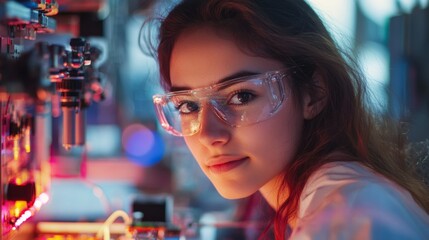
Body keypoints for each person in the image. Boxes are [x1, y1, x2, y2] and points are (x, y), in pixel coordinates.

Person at [148, 0, 429, 239]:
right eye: (188, 105)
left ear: (314, 93)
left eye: (241, 96)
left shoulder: (345, 219)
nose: (208, 134)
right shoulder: (337, 197)